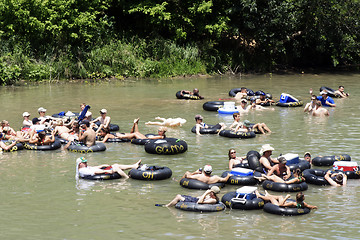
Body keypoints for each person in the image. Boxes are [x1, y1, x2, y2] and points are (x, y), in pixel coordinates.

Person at [76, 157, 142, 179]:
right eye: (84, 162)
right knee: (116, 168)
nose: (86, 163)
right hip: (101, 173)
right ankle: (127, 178)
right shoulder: (82, 170)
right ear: (80, 164)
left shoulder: (85, 167)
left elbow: (93, 168)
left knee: (116, 165)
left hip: (102, 170)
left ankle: (133, 166)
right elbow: (95, 172)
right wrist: (107, 171)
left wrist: (101, 165)